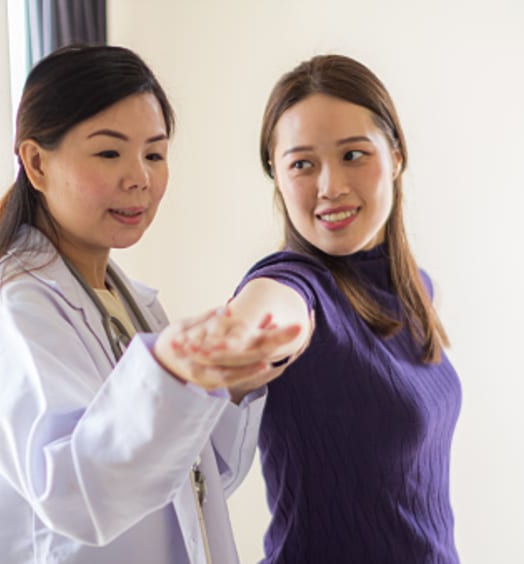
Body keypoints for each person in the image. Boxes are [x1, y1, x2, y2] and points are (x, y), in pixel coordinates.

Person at [0, 44, 302, 564]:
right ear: (36, 163)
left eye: (154, 154)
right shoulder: (13, 316)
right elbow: (79, 499)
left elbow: (193, 481)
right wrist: (170, 375)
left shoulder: (130, 302)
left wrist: (231, 388)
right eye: (109, 153)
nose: (139, 178)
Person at [184, 54, 462, 563]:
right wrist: (235, 342)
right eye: (302, 164)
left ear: (396, 156)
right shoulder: (293, 285)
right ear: (277, 176)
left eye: (353, 155)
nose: (330, 186)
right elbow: (269, 312)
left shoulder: (417, 292)